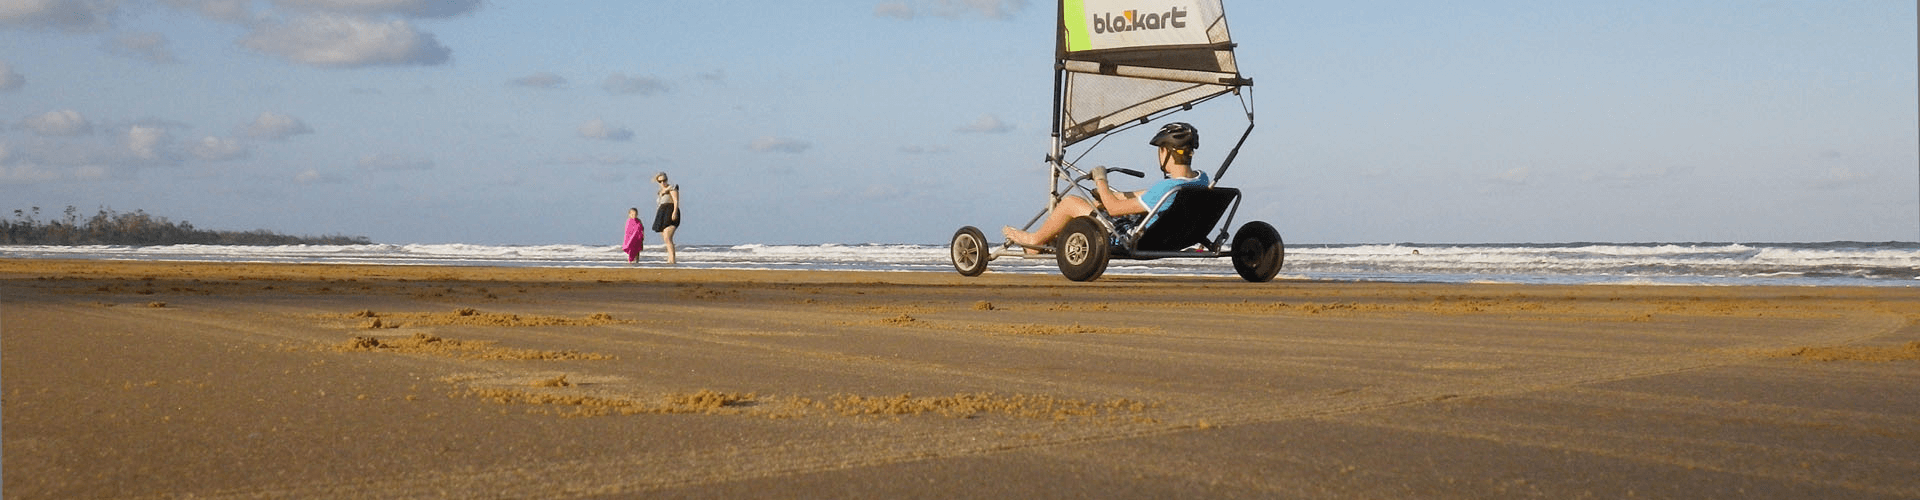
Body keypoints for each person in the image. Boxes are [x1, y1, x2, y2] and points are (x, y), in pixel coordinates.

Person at [1004, 122, 1210, 248]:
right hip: (1172, 237)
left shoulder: (1167, 189)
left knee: (1070, 203)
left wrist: (1101, 180)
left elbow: (1114, 209)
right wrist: (1111, 195)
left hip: (1129, 238)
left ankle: (1034, 241)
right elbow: (1148, 197)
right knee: (1101, 203)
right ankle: (1048, 241)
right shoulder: (1201, 180)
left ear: (1165, 152)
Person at [651, 172, 681, 264]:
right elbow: (659, 204)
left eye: (664, 180)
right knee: (665, 238)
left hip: (670, 210)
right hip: (662, 213)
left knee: (668, 237)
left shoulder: (671, 188)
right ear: (658, 182)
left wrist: (674, 212)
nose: (663, 182)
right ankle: (670, 258)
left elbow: (676, 200)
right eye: (660, 181)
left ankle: (672, 259)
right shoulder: (659, 192)